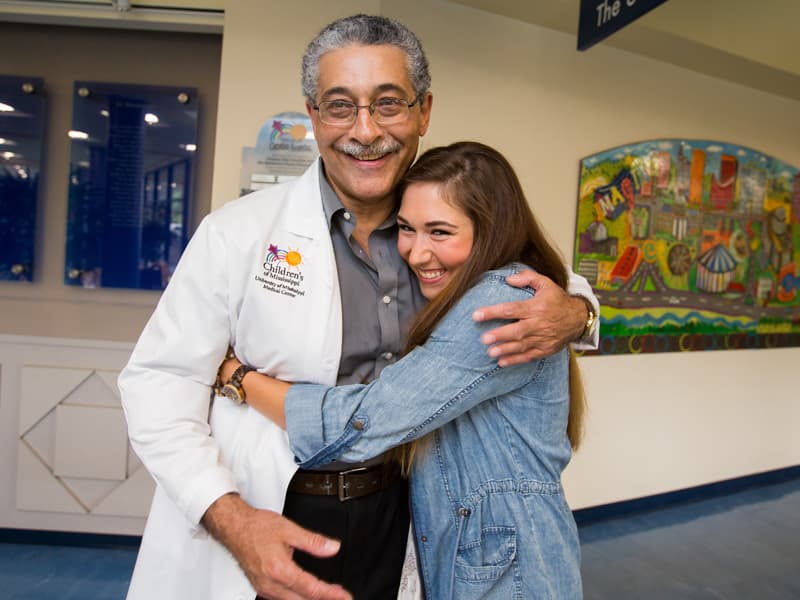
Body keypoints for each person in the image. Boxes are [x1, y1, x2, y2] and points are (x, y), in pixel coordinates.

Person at [118, 14, 598, 600]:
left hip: (402, 518)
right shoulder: (236, 235)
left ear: (423, 111)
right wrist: (232, 519)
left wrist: (580, 313)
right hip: (267, 511)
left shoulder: (448, 228)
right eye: (340, 105)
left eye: (388, 103)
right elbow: (157, 383)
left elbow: (542, 280)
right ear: (313, 115)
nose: (365, 131)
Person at [219, 141, 585, 599]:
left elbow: (366, 421)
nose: (415, 253)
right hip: (481, 552)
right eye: (407, 229)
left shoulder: (497, 304)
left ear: (491, 231)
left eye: (440, 232)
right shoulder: (487, 290)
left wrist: (237, 376)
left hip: (510, 569)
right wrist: (582, 312)